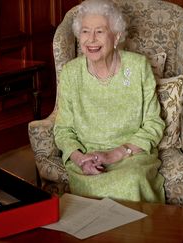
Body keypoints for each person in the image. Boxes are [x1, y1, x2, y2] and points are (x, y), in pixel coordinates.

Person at [53, 0, 165, 203]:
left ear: (116, 36)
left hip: (131, 155)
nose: (91, 40)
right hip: (87, 158)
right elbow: (63, 130)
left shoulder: (138, 67)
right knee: (89, 193)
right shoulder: (70, 72)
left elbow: (153, 124)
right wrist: (80, 159)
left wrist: (115, 154)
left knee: (131, 181)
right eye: (85, 31)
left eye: (100, 31)